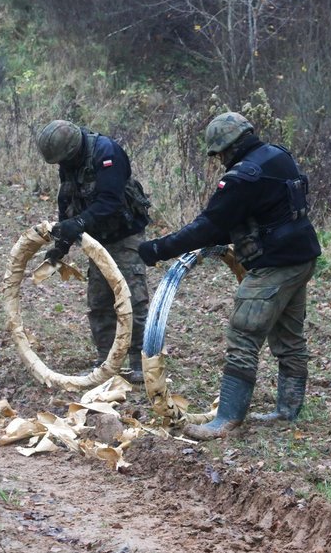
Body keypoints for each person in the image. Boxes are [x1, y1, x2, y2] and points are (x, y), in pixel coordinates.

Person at [138, 112, 321, 440]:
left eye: (219, 153)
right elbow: (262, 211)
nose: (220, 160)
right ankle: (286, 411)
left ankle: (225, 421)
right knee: (289, 337)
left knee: (243, 336)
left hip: (274, 265)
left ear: (229, 148)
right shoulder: (278, 156)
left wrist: (157, 249)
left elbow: (207, 227)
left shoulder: (241, 178)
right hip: (301, 257)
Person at [36, 120, 151, 384]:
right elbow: (67, 199)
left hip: (124, 234)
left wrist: (78, 224)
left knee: (131, 298)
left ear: (74, 148)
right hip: (96, 238)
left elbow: (111, 201)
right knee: (99, 301)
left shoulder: (107, 153)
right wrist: (62, 243)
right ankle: (107, 360)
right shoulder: (69, 162)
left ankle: (138, 361)